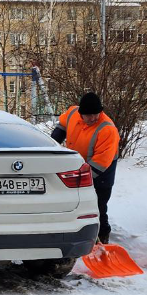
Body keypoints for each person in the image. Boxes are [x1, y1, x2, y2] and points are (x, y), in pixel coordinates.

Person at [51, 92, 119, 243]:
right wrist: (51, 145)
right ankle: (79, 234)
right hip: (78, 167)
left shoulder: (107, 129)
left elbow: (100, 163)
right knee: (76, 204)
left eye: (96, 114)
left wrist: (80, 179)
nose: (93, 118)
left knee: (97, 205)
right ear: (81, 113)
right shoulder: (72, 113)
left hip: (102, 173)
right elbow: (61, 127)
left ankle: (103, 236)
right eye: (89, 115)